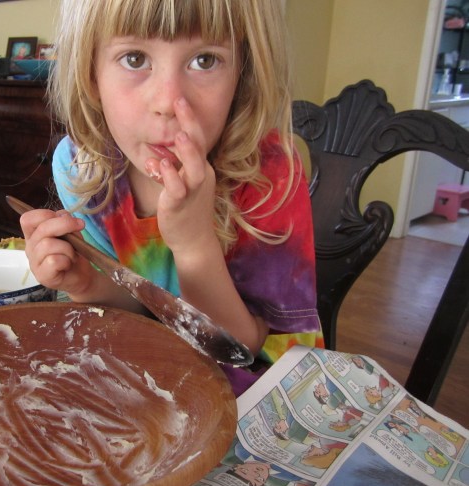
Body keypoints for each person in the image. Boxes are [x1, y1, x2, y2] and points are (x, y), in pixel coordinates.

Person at [20, 0, 323, 394]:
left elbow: (243, 348)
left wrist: (194, 244)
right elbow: (143, 306)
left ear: (243, 75)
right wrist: (86, 283)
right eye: (134, 58)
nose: (167, 103)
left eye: (205, 61)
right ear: (91, 72)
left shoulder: (269, 176)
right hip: (158, 381)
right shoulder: (83, 169)